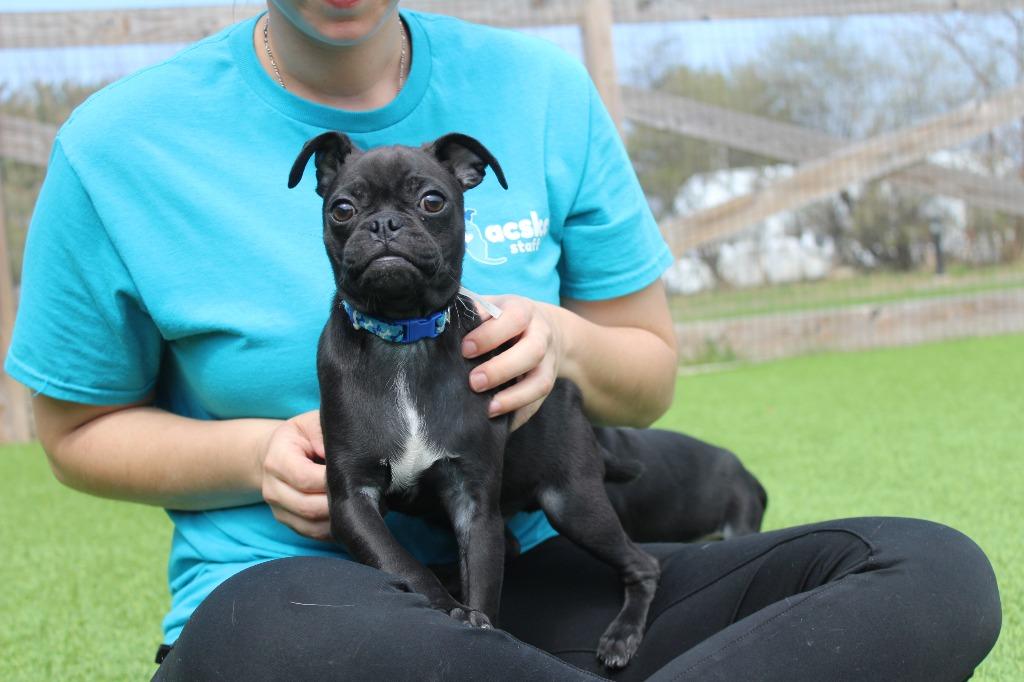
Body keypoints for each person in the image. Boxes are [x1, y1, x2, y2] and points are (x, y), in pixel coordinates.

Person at [5, 1, 1000, 679]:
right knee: (280, 637)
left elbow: (647, 372)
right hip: (302, 597)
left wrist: (562, 340)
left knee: (927, 570)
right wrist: (249, 451)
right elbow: (73, 430)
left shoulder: (538, 88)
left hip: (528, 577)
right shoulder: (121, 142)